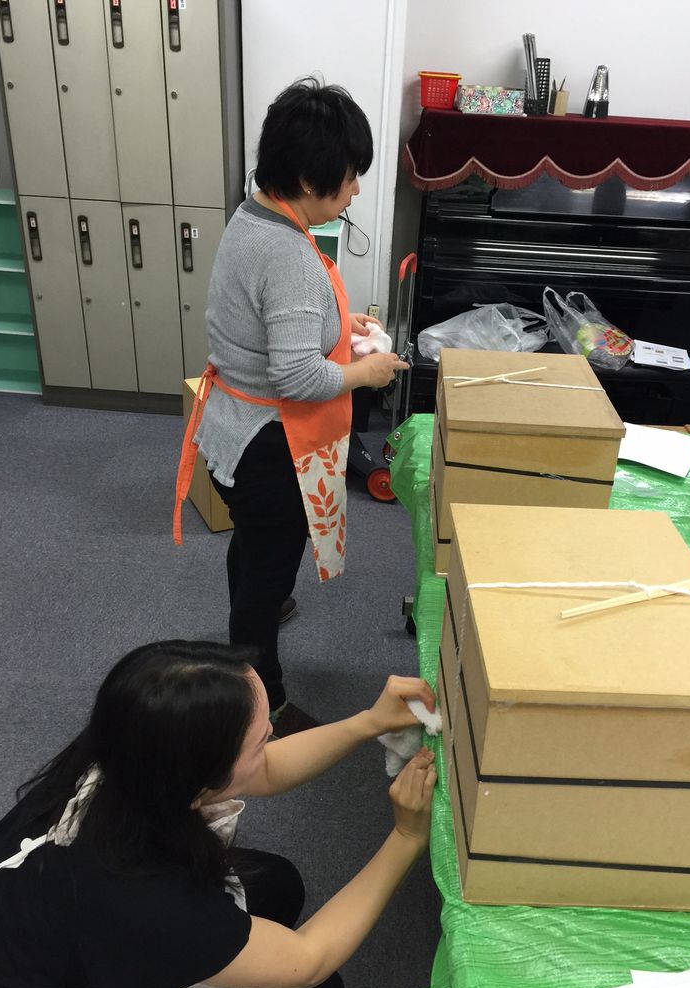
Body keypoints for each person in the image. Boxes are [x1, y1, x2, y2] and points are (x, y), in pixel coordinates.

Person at [0, 640, 437, 988]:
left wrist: (368, 722)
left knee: (278, 882)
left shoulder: (128, 747)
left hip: (50, 935)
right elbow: (310, 959)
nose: (272, 733)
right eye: (260, 739)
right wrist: (406, 838)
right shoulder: (147, 902)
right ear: (200, 783)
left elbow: (265, 769)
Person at [173, 78, 410, 727]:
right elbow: (298, 377)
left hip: (231, 429)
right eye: (350, 176)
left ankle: (257, 611)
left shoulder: (253, 214)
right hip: (268, 446)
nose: (355, 190)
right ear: (309, 178)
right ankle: (262, 698)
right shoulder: (291, 257)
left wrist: (338, 324)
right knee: (268, 570)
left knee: (251, 547)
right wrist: (367, 372)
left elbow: (271, 319)